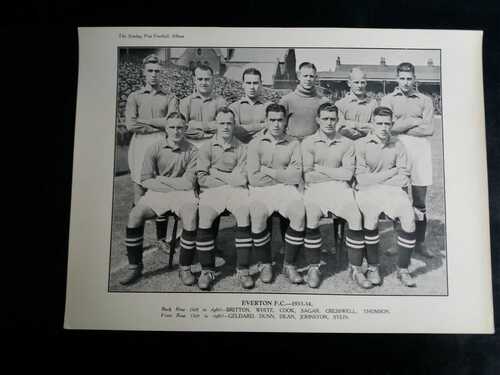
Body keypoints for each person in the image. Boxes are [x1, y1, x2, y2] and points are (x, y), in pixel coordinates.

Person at [120, 112, 198, 286]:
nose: (176, 131)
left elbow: (188, 183)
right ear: (166, 129)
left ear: (185, 128)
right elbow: (146, 179)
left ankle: (185, 268)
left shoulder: (193, 150)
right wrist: (167, 184)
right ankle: (135, 266)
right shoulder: (154, 148)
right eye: (172, 127)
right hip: (158, 192)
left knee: (191, 215)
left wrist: (162, 179)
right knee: (135, 214)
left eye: (180, 127)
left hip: (183, 194)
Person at [302, 103, 364, 288]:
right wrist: (334, 171)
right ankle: (314, 267)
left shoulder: (347, 143)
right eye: (325, 119)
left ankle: (356, 268)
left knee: (355, 216)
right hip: (315, 189)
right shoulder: (308, 142)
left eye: (333, 119)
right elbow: (307, 175)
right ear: (318, 120)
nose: (329, 122)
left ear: (337, 120)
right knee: (311, 216)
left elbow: (347, 175)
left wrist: (320, 168)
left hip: (340, 188)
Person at [354, 106, 418, 287]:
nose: (383, 127)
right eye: (379, 123)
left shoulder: (398, 144)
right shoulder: (361, 144)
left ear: (392, 124)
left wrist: (380, 179)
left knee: (408, 217)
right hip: (367, 191)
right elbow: (362, 180)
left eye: (387, 124)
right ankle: (373, 267)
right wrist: (391, 172)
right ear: (372, 124)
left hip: (392, 190)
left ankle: (403, 269)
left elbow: (403, 178)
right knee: (371, 218)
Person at [246, 103, 306, 285]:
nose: (276, 124)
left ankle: (289, 264)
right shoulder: (255, 143)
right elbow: (254, 178)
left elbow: (296, 176)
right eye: (272, 120)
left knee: (299, 213)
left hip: (286, 190)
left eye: (280, 120)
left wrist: (270, 172)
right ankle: (265, 263)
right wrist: (283, 176)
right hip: (261, 190)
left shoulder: (294, 143)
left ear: (286, 121)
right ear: (266, 121)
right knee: (257, 214)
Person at [381, 62, 435, 258]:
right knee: (400, 198)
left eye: (409, 78)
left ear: (414, 79)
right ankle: (398, 242)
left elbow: (429, 129)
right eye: (402, 78)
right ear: (397, 79)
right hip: (397, 150)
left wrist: (400, 125)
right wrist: (413, 121)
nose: (405, 82)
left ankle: (420, 242)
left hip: (420, 150)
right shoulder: (387, 99)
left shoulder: (425, 99)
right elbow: (386, 128)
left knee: (419, 200)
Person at [125, 54, 179, 248]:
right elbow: (131, 124)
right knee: (139, 191)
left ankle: (161, 239)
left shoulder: (170, 97)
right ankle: (136, 242)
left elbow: (172, 123)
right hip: (139, 145)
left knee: (161, 189)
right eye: (150, 71)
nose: (154, 74)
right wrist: (159, 124)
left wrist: (146, 121)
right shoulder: (135, 96)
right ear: (144, 72)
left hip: (162, 145)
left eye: (157, 71)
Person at [195, 107, 253, 290]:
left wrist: (217, 172)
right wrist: (227, 178)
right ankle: (207, 270)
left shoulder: (243, 148)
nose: (226, 127)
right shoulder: (206, 147)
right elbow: (202, 178)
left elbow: (242, 179)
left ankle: (243, 269)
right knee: (204, 215)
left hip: (237, 190)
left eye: (229, 123)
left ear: (234, 124)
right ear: (216, 125)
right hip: (213, 190)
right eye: (222, 123)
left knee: (244, 214)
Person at [279, 62, 329, 141]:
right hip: (293, 145)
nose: (308, 79)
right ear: (299, 76)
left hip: (315, 145)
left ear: (316, 78)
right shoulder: (287, 100)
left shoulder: (323, 101)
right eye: (305, 76)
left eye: (311, 76)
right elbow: (278, 126)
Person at [179, 64, 227, 140]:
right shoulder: (185, 102)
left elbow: (223, 126)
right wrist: (211, 126)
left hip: (214, 143)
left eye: (207, 79)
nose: (204, 83)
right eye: (200, 79)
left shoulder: (221, 102)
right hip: (190, 143)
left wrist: (193, 124)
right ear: (194, 80)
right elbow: (181, 126)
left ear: (212, 80)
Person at [229, 68, 270, 143]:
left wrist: (245, 128)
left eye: (255, 83)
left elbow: (273, 129)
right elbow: (235, 130)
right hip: (240, 149)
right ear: (243, 84)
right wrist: (264, 126)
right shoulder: (234, 107)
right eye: (248, 83)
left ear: (261, 84)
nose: (252, 87)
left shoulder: (269, 106)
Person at [335, 68, 377, 140]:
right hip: (345, 143)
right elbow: (339, 128)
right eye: (356, 82)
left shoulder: (373, 104)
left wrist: (351, 124)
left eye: (362, 82)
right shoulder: (340, 104)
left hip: (366, 143)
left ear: (366, 83)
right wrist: (366, 125)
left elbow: (375, 128)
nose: (360, 86)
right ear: (349, 83)